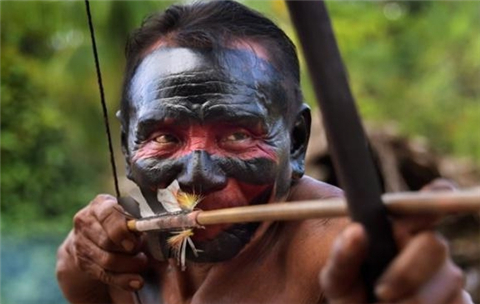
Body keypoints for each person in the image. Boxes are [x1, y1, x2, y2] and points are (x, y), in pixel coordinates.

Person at [56, 1, 472, 303]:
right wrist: (83, 250)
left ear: (295, 142)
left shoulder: (336, 246)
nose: (196, 175)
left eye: (237, 135)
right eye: (164, 138)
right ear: (128, 145)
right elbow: (76, 276)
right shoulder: (127, 248)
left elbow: (400, 281)